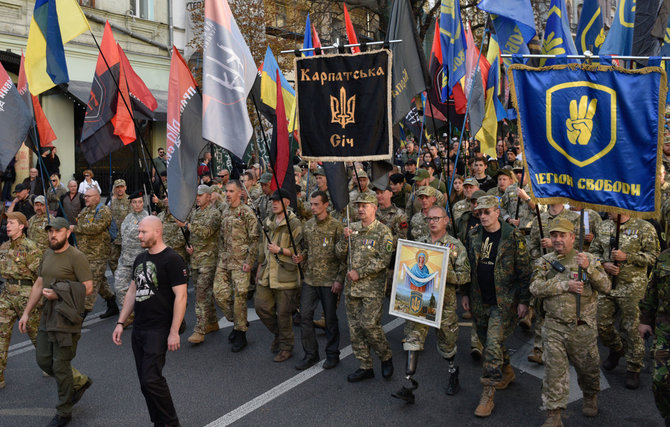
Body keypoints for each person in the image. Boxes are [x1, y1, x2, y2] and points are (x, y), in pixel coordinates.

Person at [529, 218, 611, 426]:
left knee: (588, 369)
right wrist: (565, 285)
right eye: (554, 235)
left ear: (573, 237)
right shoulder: (544, 261)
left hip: (581, 327)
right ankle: (554, 414)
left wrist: (589, 269)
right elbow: (535, 288)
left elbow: (606, 287)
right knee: (554, 372)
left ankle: (590, 395)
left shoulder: (589, 259)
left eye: (562, 235)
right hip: (554, 326)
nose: (557, 240)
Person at [112, 216, 187, 427]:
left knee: (151, 379)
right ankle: (158, 421)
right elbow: (132, 291)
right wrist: (120, 322)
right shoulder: (140, 258)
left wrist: (174, 331)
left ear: (157, 232)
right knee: (145, 384)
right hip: (140, 328)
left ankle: (171, 423)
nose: (139, 236)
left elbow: (181, 296)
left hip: (159, 328)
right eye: (138, 232)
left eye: (143, 232)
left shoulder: (172, 259)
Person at [19, 217, 93, 427]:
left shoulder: (77, 257)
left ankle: (64, 411)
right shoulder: (47, 255)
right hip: (48, 314)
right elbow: (39, 284)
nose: (53, 235)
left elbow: (87, 287)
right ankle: (78, 381)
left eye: (57, 231)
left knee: (60, 364)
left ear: (67, 233)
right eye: (50, 232)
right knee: (44, 360)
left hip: (67, 317)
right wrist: (26, 312)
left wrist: (59, 293)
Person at [392, 206, 470, 404]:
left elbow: (465, 276)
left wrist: (445, 271)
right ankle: (408, 383)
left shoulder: (455, 247)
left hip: (444, 305)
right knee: (412, 339)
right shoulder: (419, 245)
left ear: (446, 220)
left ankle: (453, 372)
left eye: (437, 218)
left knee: (447, 345)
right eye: (429, 219)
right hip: (419, 303)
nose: (433, 222)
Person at [463, 195, 531, 417]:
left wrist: (524, 301)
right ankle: (508, 371)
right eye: (479, 213)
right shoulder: (473, 235)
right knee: (489, 340)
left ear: (497, 212)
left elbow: (524, 272)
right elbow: (468, 267)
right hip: (479, 298)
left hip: (503, 302)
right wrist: (465, 293)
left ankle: (488, 394)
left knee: (491, 346)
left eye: (487, 212)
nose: (482, 216)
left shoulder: (513, 237)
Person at [590, 212, 660, 389]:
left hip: (632, 288)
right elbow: (593, 252)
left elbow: (654, 256)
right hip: (607, 285)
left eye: (612, 207)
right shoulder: (604, 226)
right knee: (601, 325)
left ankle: (633, 367)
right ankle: (617, 348)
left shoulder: (644, 228)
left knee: (632, 329)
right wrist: (604, 263)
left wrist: (627, 256)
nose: (608, 210)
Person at [336, 192, 394, 382]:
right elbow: (338, 254)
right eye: (358, 206)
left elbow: (383, 260)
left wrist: (360, 273)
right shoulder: (351, 229)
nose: (360, 209)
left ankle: (385, 356)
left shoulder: (383, 232)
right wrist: (344, 239)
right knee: (355, 329)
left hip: (372, 289)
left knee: (369, 325)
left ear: (374, 208)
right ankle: (365, 365)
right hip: (352, 288)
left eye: (365, 206)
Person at [292, 191, 345, 370]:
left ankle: (332, 354)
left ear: (326, 205)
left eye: (316, 204)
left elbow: (344, 257)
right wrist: (301, 257)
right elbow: (306, 249)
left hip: (329, 280)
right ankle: (311, 354)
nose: (312, 208)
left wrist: (339, 279)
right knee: (305, 316)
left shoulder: (337, 226)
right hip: (311, 279)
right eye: (311, 204)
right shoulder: (307, 226)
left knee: (330, 319)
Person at [255, 189, 303, 362]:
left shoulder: (294, 223)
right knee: (261, 307)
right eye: (272, 201)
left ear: (287, 202)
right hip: (267, 273)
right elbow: (262, 246)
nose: (274, 203)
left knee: (283, 314)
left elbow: (300, 251)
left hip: (285, 275)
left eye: (278, 201)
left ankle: (286, 347)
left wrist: (280, 250)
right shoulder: (268, 222)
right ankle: (279, 334)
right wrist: (259, 267)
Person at [213, 180, 258, 352]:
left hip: (241, 263)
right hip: (224, 261)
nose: (228, 194)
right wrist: (220, 258)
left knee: (240, 298)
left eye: (231, 191)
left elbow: (255, 240)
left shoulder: (247, 213)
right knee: (219, 294)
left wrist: (249, 262)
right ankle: (239, 321)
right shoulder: (224, 210)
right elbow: (221, 238)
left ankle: (241, 333)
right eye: (226, 191)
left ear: (240, 193)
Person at [0, 212, 42, 389]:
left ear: (22, 226)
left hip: (26, 295)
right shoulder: (3, 247)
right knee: (1, 334)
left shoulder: (30, 248)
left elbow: (41, 277)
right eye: (6, 223)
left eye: (11, 223)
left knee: (37, 335)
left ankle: (51, 363)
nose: (7, 226)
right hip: (6, 294)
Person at [180, 185, 221, 345]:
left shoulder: (215, 214)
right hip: (196, 259)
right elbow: (194, 236)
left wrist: (187, 226)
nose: (197, 198)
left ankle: (200, 330)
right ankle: (212, 322)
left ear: (209, 197)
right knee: (202, 292)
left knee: (201, 295)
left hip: (208, 261)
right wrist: (189, 246)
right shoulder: (196, 212)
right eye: (196, 195)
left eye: (201, 195)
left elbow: (205, 232)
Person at [70, 188, 118, 317]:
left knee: (90, 283)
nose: (85, 198)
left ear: (97, 197)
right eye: (85, 196)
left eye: (89, 196)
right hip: (84, 253)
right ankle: (112, 303)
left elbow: (96, 228)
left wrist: (75, 228)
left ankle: (81, 314)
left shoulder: (103, 211)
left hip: (98, 254)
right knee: (100, 281)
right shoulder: (85, 211)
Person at [640, 248, 670, 425]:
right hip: (665, 329)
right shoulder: (665, 256)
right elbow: (652, 289)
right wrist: (645, 319)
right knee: (660, 380)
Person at [114, 191, 148, 310]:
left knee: (142, 292)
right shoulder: (128, 217)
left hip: (140, 260)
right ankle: (128, 313)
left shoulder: (147, 219)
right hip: (125, 260)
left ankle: (141, 316)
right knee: (119, 287)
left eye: (140, 202)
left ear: (143, 203)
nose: (137, 205)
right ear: (131, 204)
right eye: (134, 202)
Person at [108, 179, 131, 275]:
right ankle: (117, 279)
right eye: (117, 187)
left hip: (126, 237)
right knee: (112, 260)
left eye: (121, 187)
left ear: (125, 188)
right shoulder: (112, 202)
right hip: (114, 237)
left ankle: (127, 282)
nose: (120, 189)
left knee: (128, 262)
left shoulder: (130, 200)